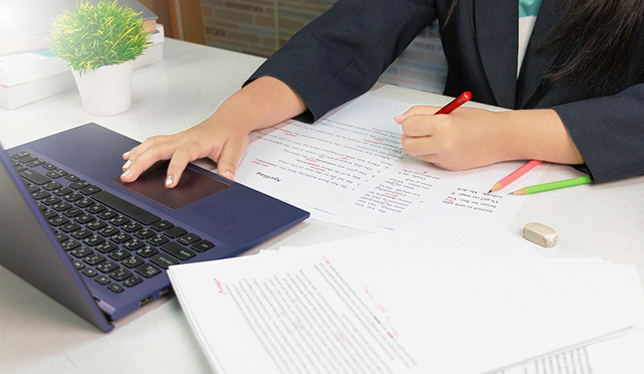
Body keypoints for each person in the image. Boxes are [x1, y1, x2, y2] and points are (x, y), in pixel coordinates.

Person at [120, 0, 644, 188]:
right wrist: (233, 118)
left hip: (599, 190)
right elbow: (344, 38)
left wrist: (506, 134)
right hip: (456, 194)